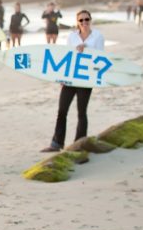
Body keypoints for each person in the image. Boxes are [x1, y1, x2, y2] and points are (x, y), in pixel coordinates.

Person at [41, 10, 104, 153]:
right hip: (70, 79)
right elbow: (68, 57)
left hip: (86, 79)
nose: (84, 23)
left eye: (86, 19)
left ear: (90, 20)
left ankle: (79, 144)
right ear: (77, 22)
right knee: (62, 111)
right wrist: (63, 77)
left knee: (82, 112)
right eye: (81, 20)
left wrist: (86, 48)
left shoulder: (97, 36)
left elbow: (101, 58)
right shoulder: (72, 37)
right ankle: (56, 144)